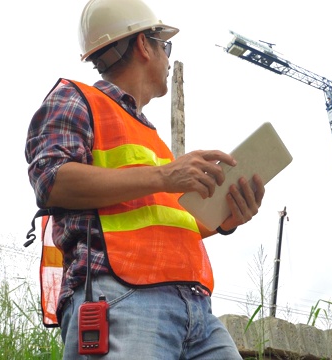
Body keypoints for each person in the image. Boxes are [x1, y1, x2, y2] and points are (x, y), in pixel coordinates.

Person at [24, 0, 265, 358]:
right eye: (165, 47)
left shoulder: (153, 142)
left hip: (196, 309)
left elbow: (165, 221)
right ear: (142, 45)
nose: (168, 60)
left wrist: (227, 219)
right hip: (122, 297)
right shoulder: (77, 99)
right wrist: (164, 175)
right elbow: (51, 180)